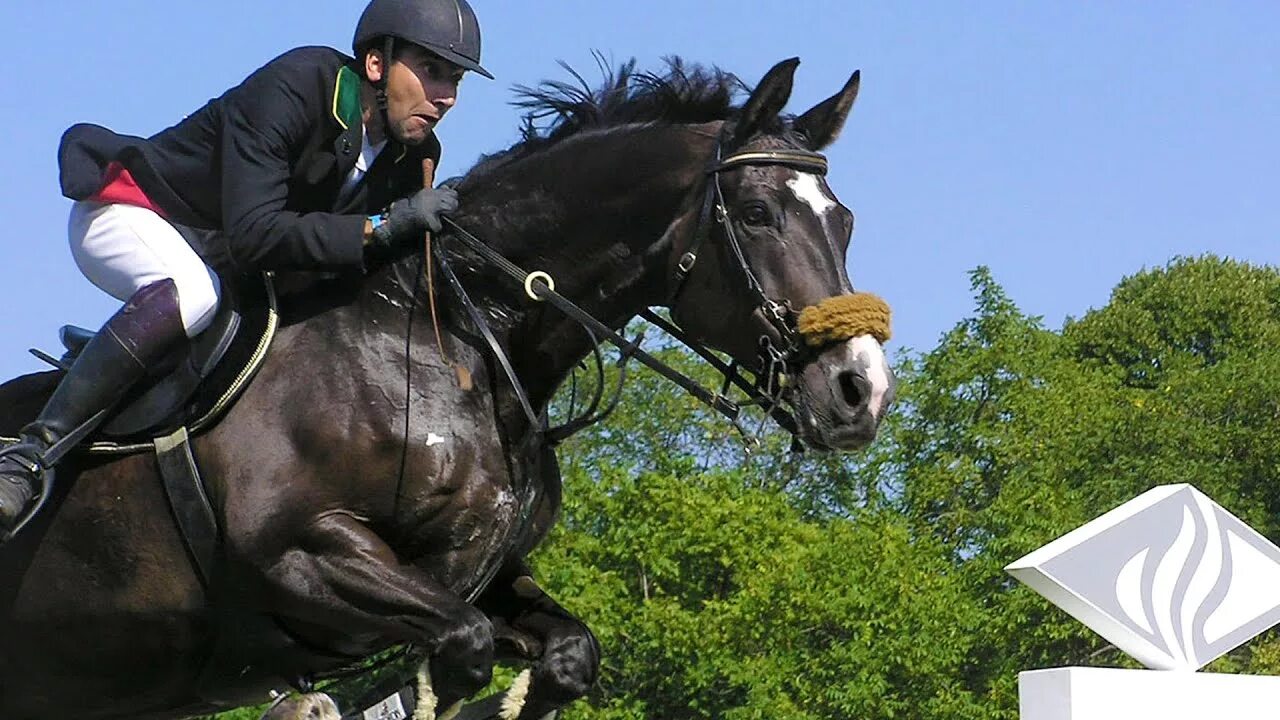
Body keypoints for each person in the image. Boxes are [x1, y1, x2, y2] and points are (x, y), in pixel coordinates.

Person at [0, 0, 493, 538]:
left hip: (224, 263)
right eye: (432, 71)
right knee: (195, 294)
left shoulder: (410, 157)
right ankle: (29, 456)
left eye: (456, 80)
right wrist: (380, 227)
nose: (445, 97)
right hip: (133, 214)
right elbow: (257, 235)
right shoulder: (300, 85)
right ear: (376, 65)